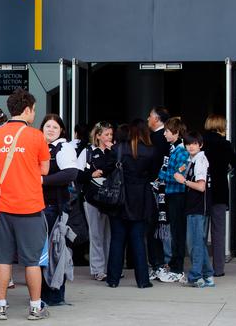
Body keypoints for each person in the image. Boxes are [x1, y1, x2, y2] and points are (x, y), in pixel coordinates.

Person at [0, 88, 50, 321]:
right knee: (32, 261)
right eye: (33, 110)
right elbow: (44, 169)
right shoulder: (37, 137)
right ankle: (35, 307)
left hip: (2, 207)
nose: (34, 113)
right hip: (30, 206)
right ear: (26, 110)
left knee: (1, 259)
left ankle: (0, 306)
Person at [105, 119, 157, 289]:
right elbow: (153, 174)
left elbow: (107, 170)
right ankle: (142, 280)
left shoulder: (118, 149)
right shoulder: (150, 151)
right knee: (138, 240)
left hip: (119, 198)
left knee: (117, 239)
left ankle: (113, 279)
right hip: (140, 197)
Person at [40, 114, 78, 305]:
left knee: (56, 252)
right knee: (41, 253)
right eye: (48, 126)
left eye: (55, 127)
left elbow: (71, 173)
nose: (51, 130)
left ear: (62, 130)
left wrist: (42, 181)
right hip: (36, 206)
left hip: (54, 207)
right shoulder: (38, 145)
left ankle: (54, 296)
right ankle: (41, 296)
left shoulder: (64, 147)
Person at [173, 131, 215, 287]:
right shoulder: (193, 160)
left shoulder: (200, 161)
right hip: (193, 207)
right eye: (188, 144)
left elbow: (201, 186)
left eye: (194, 143)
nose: (191, 146)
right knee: (198, 243)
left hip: (198, 208)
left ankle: (196, 276)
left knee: (195, 244)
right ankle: (207, 275)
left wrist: (183, 180)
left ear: (200, 145)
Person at [202, 114, 236, 277]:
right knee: (218, 232)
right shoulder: (225, 144)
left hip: (202, 190)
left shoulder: (201, 142)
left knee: (201, 233)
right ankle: (218, 269)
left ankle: (203, 266)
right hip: (219, 191)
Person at [79, 121, 113, 281]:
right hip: (92, 198)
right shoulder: (88, 152)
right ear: (98, 135)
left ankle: (110, 267)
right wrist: (90, 174)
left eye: (111, 134)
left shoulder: (114, 152)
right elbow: (77, 174)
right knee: (96, 234)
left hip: (111, 198)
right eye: (106, 134)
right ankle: (98, 269)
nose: (109, 137)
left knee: (110, 234)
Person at [157, 117, 189, 283]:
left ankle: (177, 268)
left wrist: (161, 175)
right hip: (172, 193)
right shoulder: (173, 148)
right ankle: (174, 265)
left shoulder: (181, 151)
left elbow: (178, 175)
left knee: (177, 231)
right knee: (174, 230)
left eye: (167, 131)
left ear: (176, 133)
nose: (164, 134)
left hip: (178, 194)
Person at [146, 106, 171, 280]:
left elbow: (154, 163)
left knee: (154, 228)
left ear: (156, 119)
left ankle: (159, 263)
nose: (148, 119)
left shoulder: (157, 138)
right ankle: (160, 263)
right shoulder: (162, 138)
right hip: (163, 188)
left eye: (150, 116)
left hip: (156, 188)